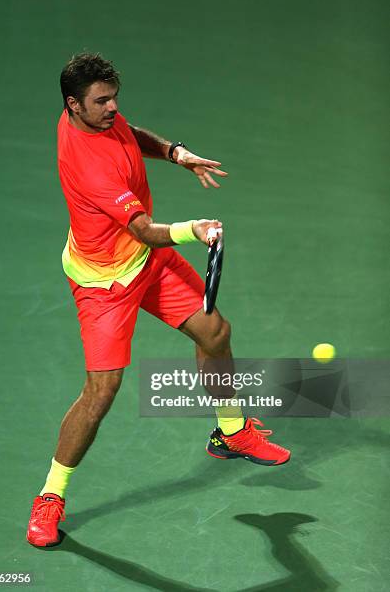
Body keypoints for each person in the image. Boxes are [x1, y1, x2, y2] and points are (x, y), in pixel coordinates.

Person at [27, 53, 290, 547]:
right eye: (102, 102)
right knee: (100, 394)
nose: (112, 108)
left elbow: (130, 133)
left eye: (113, 99)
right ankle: (50, 495)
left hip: (144, 262)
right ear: (73, 105)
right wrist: (198, 228)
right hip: (104, 284)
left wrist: (175, 153)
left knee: (215, 332)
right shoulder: (89, 166)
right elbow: (146, 230)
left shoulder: (88, 116)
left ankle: (231, 432)